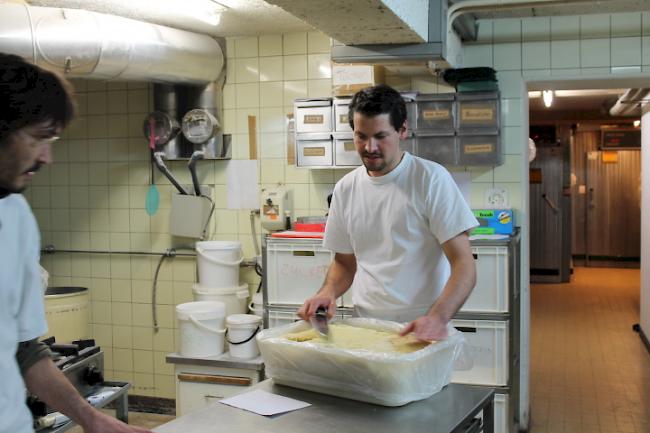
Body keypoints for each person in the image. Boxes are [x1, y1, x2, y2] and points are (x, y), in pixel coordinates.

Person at [0, 53, 153, 433]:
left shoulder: (16, 216)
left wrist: (93, 420)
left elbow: (25, 350)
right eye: (38, 138)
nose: (47, 157)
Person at [298, 84, 478, 342]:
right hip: (365, 324)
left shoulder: (430, 180)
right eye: (361, 136)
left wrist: (438, 318)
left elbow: (464, 264)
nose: (370, 147)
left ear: (402, 130)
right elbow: (344, 263)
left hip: (421, 326)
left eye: (380, 136)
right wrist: (327, 292)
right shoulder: (346, 189)